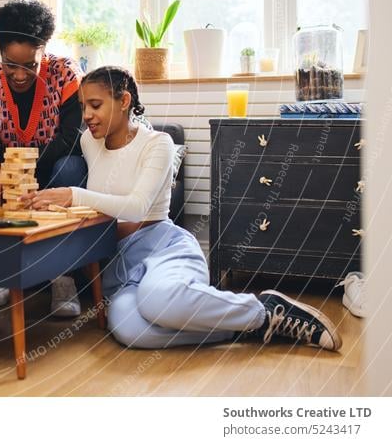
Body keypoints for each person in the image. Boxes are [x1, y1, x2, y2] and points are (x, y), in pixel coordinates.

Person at [23, 65, 342, 352]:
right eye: (83, 107)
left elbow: (137, 207)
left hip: (163, 247)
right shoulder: (89, 143)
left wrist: (73, 195)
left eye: (95, 105)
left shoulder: (157, 143)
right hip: (118, 263)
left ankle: (265, 309)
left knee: (159, 299)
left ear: (123, 102)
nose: (87, 116)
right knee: (132, 331)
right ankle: (250, 328)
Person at [0, 0, 86, 316]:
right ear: (0, 54)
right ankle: (3, 271)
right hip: (10, 171)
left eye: (30, 65)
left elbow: (71, 138)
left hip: (54, 168)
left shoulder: (64, 74)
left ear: (43, 53)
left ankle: (64, 277)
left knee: (69, 169)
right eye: (10, 64)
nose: (19, 75)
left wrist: (24, 172)